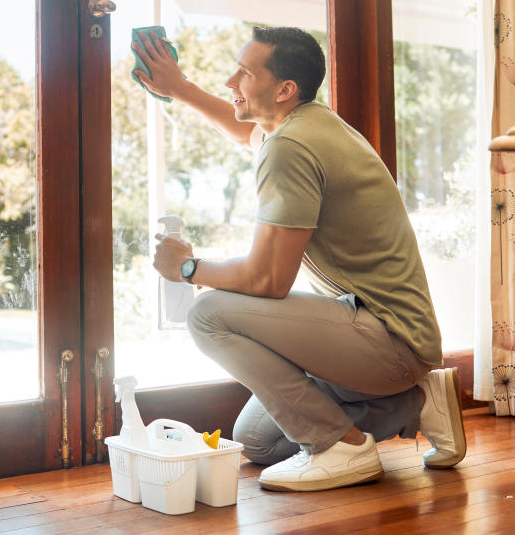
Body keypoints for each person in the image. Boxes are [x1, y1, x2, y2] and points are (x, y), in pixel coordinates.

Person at [132, 26, 466, 492]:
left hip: (391, 338)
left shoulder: (292, 146)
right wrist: (180, 88)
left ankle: (343, 449)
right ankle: (416, 399)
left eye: (245, 73)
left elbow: (268, 279)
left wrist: (187, 269)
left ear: (284, 90)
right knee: (258, 442)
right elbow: (242, 130)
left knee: (208, 314)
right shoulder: (304, 122)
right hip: (376, 328)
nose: (232, 81)